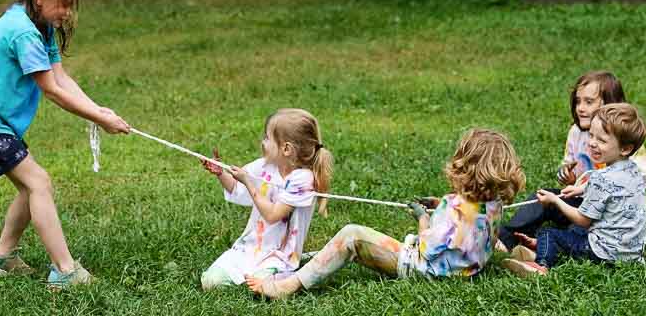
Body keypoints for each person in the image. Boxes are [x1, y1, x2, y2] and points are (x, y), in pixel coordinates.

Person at [0, 0, 131, 288]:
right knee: (39, 183)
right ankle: (65, 271)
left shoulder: (39, 26)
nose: (67, 14)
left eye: (71, 6)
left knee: (31, 187)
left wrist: (97, 109)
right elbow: (52, 90)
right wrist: (99, 119)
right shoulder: (22, 31)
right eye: (63, 4)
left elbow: (61, 77)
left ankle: (1, 257)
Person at [249, 128, 525, 299]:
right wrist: (438, 204)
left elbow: (428, 248)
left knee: (352, 235)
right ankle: (309, 260)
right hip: (462, 271)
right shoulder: (492, 206)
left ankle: (290, 285)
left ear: (465, 165)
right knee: (344, 244)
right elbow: (466, 227)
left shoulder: (455, 210)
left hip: (425, 270)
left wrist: (422, 218)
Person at [499, 70, 646, 250]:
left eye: (589, 101)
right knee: (542, 197)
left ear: (610, 105)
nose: (580, 107)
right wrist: (568, 176)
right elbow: (572, 167)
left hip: (610, 211)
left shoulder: (626, 143)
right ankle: (505, 237)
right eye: (578, 101)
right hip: (582, 199)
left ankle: (547, 246)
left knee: (580, 229)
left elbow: (637, 183)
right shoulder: (576, 132)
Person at [504, 103, 646, 276]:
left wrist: (555, 200)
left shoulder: (600, 178)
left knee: (550, 232)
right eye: (592, 136)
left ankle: (541, 265)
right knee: (576, 232)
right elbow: (613, 188)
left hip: (604, 253)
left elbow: (582, 220)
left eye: (601, 140)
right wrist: (580, 189)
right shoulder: (633, 171)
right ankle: (543, 246)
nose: (592, 143)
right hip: (631, 254)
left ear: (625, 148)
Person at [199, 108, 334, 290]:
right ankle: (267, 273)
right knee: (211, 282)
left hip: (280, 255)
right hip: (250, 248)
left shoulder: (302, 179)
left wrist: (248, 181)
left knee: (265, 287)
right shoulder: (264, 166)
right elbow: (237, 188)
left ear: (286, 148)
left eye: (267, 137)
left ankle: (288, 275)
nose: (263, 142)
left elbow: (273, 215)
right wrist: (220, 173)